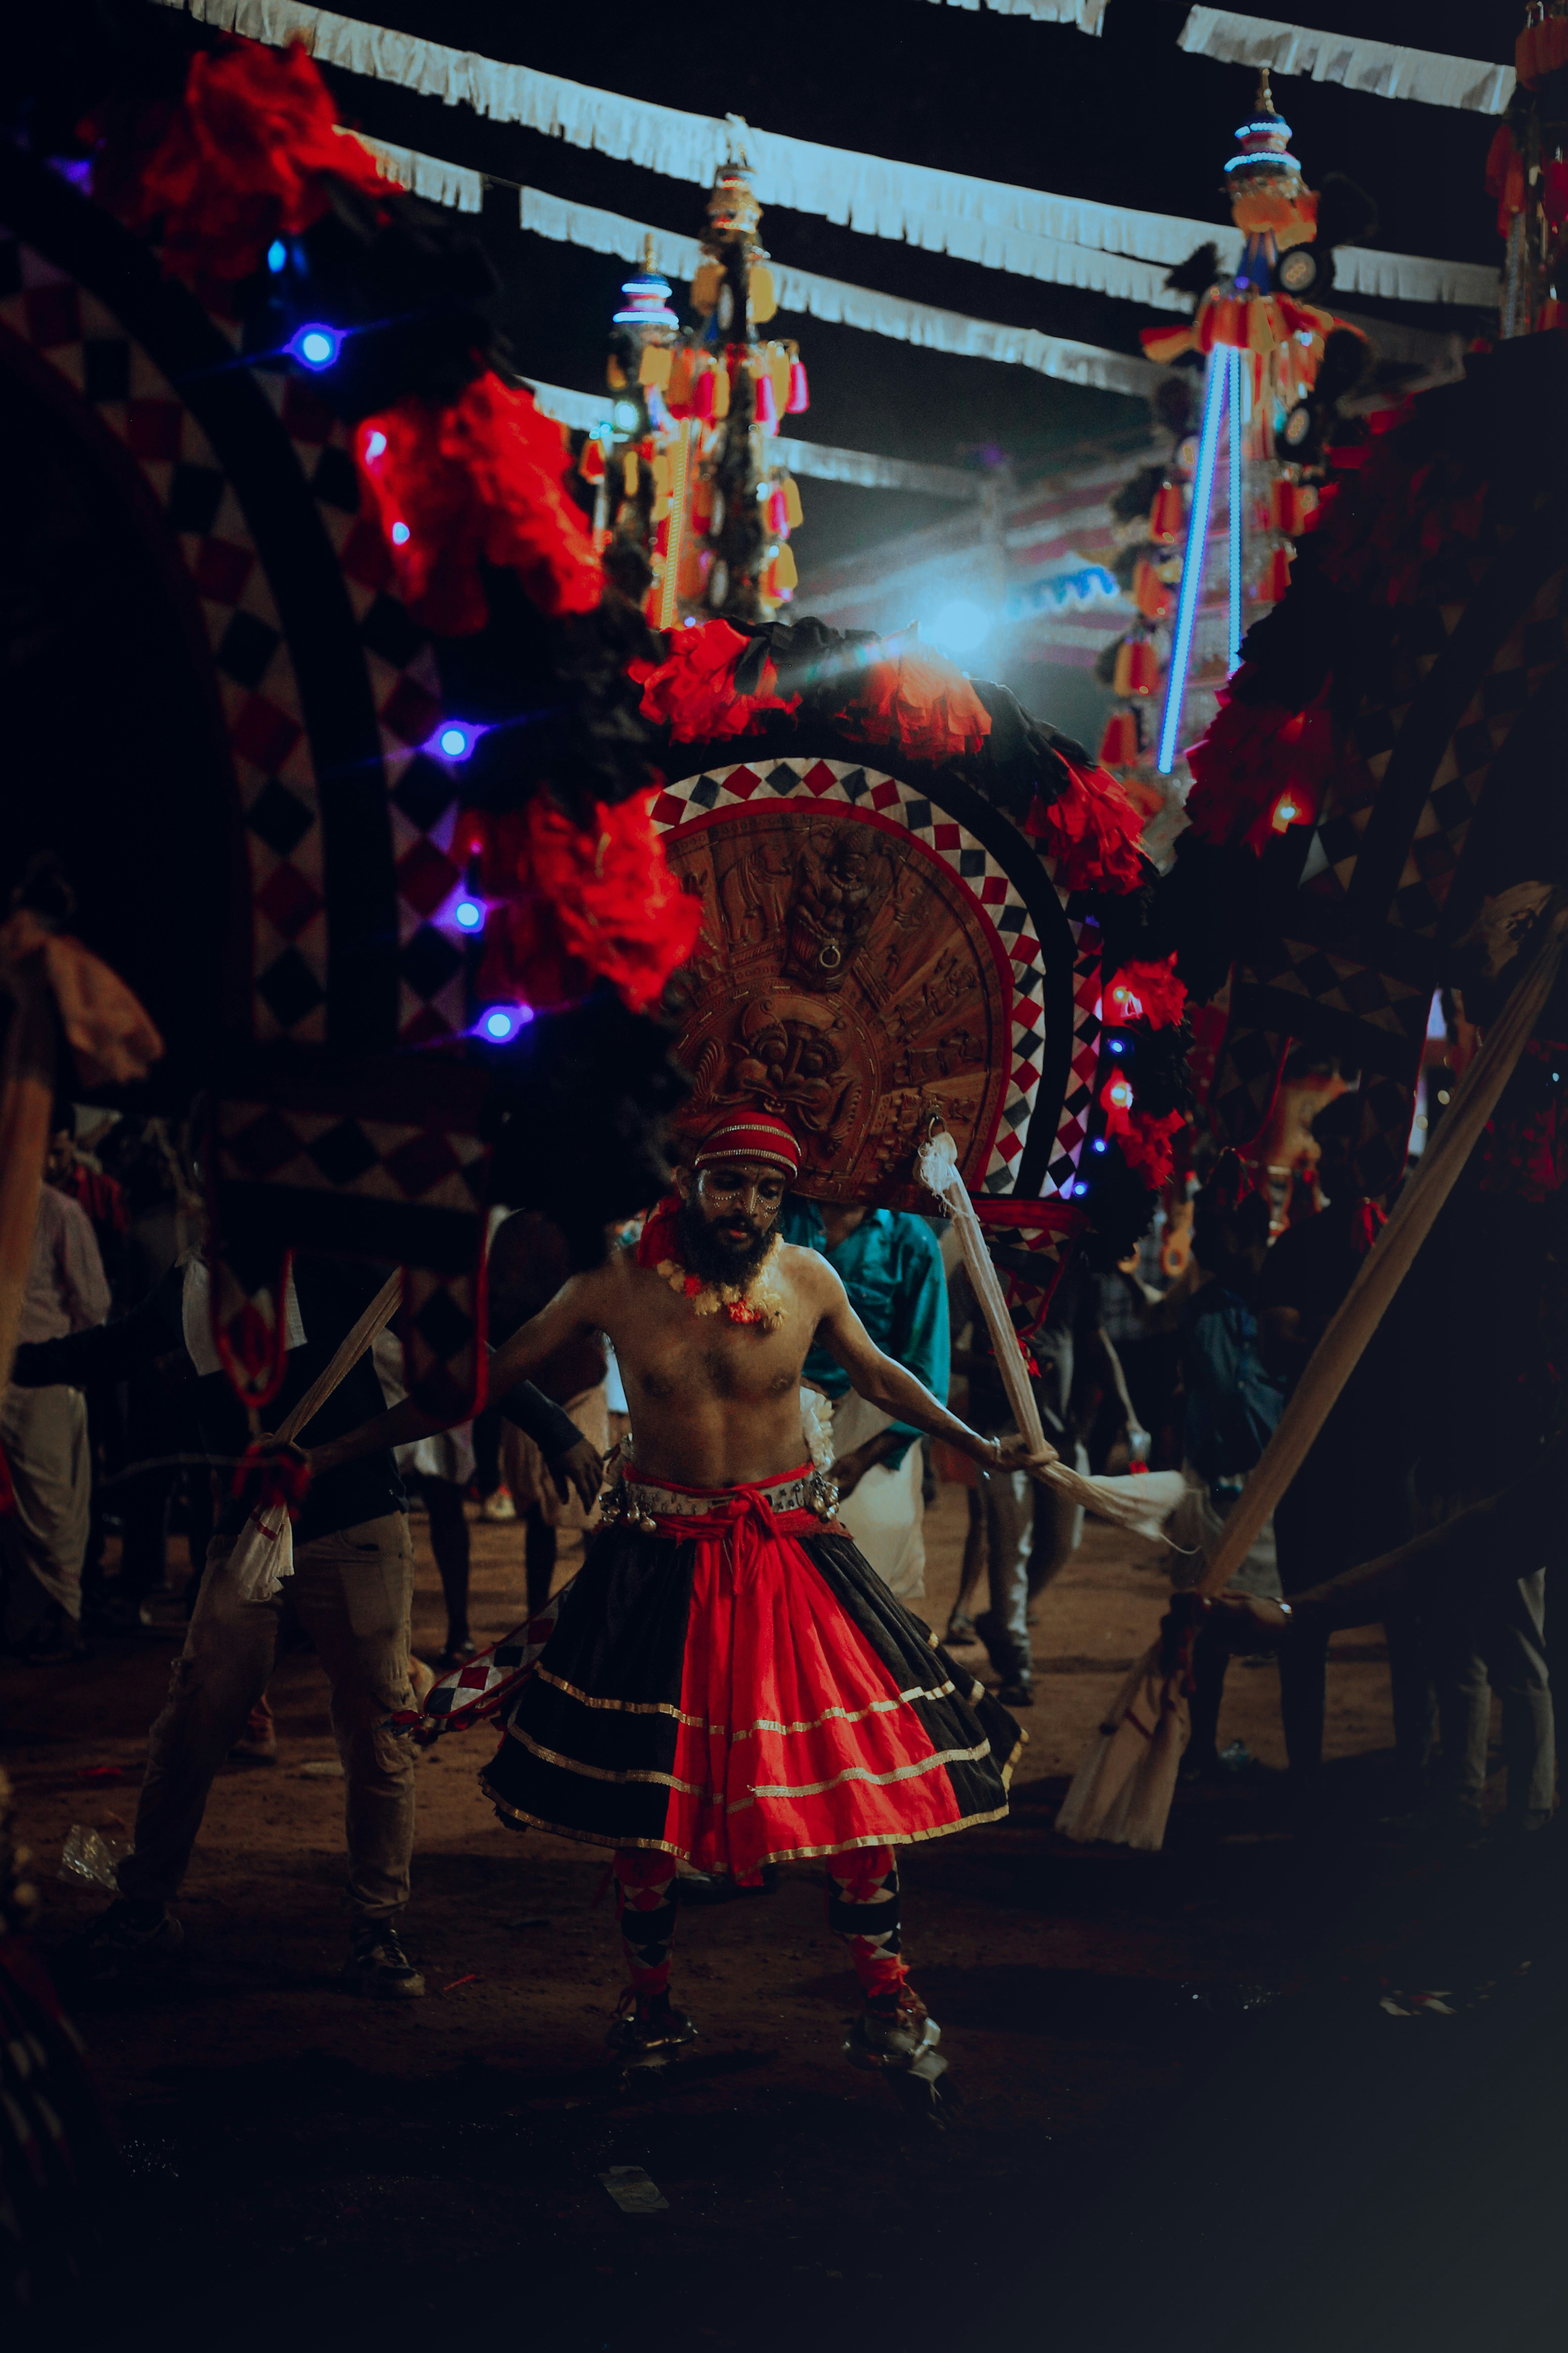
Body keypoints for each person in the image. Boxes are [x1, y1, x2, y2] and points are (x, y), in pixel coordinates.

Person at [307, 1110, 1050, 2104]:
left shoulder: (808, 1281)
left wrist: (979, 1438)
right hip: (657, 1566)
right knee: (647, 1798)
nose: (747, 1207)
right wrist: (330, 1451)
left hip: (793, 1560)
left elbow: (877, 1373)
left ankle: (889, 1998)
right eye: (729, 1184)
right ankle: (647, 1998)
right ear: (688, 1180)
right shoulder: (615, 1285)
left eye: (768, 1190)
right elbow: (480, 1381)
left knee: (849, 1780)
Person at [9, 1247, 601, 1993]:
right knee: (192, 1723)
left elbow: (461, 1354)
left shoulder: (328, 1265)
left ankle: (376, 1928)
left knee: (379, 1730)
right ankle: (145, 1908)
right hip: (248, 1533)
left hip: (356, 1528)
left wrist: (556, 1428)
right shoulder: (184, 1287)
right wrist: (13, 1355)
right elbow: (100, 1354)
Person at [1259, 1094, 1427, 1799]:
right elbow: (1276, 1340)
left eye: (1334, 1153)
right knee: (1313, 1621)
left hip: (1379, 1460)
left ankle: (1409, 1770)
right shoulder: (1308, 1244)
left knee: (1404, 1622)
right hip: (1326, 1460)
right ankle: (1325, 1772)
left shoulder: (1406, 1243)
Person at [776, 1195, 948, 1602]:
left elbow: (924, 1373)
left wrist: (864, 1457)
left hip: (872, 1426)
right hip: (772, 1417)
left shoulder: (912, 1241)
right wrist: (785, 1381)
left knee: (864, 1583)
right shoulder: (777, 1212)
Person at [1174, 1154, 1286, 1775]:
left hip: (1272, 1491)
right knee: (1206, 1625)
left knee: (1284, 1624)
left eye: (1209, 1226)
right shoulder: (1198, 1309)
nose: (1195, 1239)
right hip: (1212, 1490)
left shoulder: (1282, 1306)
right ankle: (1200, 1745)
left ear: (1245, 1233)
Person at [0, 1179, 110, 1660]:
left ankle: (61, 1622)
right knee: (24, 1515)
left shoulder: (58, 1212)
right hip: (18, 1377)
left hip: (41, 1376)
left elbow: (92, 1303)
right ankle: (28, 1624)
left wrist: (75, 1367)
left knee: (53, 1510)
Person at [487, 1209, 611, 1619]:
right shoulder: (513, 1231)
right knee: (539, 1515)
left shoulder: (584, 1225)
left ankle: (598, 1615)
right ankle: (536, 1617)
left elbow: (604, 1293)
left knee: (594, 1510)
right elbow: (495, 1306)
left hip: (579, 1381)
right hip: (527, 1384)